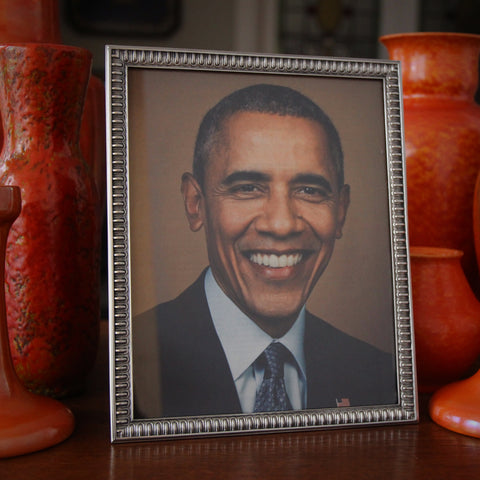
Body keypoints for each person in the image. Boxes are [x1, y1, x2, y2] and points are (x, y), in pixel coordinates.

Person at [133, 84, 397, 418]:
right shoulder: (130, 360)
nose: (282, 224)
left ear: (340, 211)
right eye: (247, 188)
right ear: (195, 203)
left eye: (310, 190)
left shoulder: (379, 377)